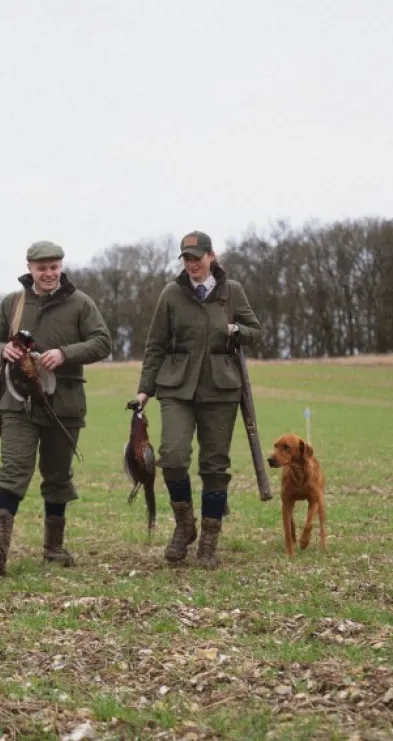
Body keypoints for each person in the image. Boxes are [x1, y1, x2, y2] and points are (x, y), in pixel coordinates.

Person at [0, 240, 111, 576]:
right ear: (30, 268)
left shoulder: (81, 303)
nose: (49, 273)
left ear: (61, 267)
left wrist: (65, 354)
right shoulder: (12, 303)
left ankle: (53, 547)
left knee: (57, 475)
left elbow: (102, 342)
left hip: (63, 404)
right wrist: (2, 351)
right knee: (13, 471)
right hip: (16, 401)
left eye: (54, 267)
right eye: (42, 268)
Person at [135, 230, 261, 569]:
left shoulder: (232, 292)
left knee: (214, 465)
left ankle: (208, 541)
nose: (192, 264)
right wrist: (145, 389)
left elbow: (256, 331)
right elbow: (155, 345)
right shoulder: (171, 294)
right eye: (187, 259)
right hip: (176, 387)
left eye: (197, 258)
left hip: (221, 389)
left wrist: (236, 331)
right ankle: (184, 526)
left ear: (211, 256)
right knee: (173, 457)